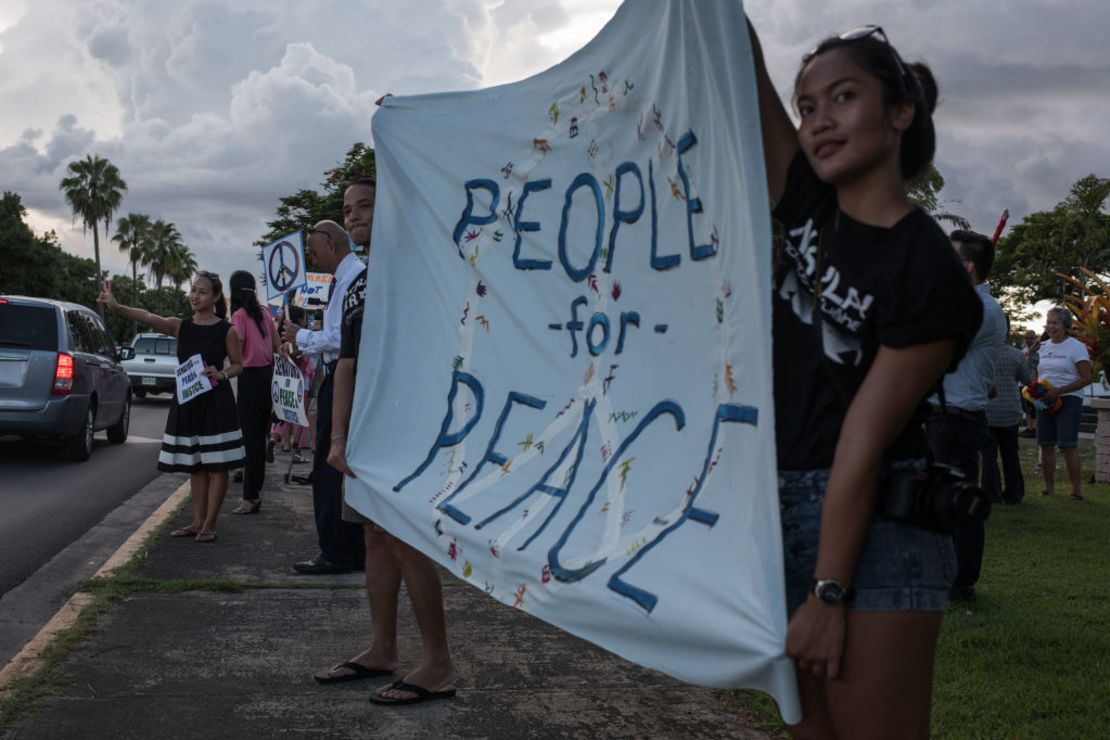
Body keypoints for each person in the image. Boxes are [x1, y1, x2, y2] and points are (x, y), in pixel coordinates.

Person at [750, 19, 982, 738]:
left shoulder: (930, 269)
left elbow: (862, 437)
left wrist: (829, 591)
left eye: (844, 97)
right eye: (808, 105)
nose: (819, 120)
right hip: (780, 507)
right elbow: (739, 63)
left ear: (900, 113)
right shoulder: (809, 206)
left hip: (874, 529)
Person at [314, 177, 456, 706]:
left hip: (409, 423)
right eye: (348, 209)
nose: (353, 216)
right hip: (368, 427)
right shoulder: (360, 283)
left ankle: (438, 663)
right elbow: (347, 363)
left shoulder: (416, 270)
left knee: (404, 535)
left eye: (365, 205)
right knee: (375, 534)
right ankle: (383, 649)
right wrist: (339, 435)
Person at [98, 272, 245, 542]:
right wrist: (116, 306)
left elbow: (237, 364)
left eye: (202, 292)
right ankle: (197, 521)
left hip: (216, 402)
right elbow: (147, 316)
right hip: (189, 400)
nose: (195, 296)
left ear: (214, 297)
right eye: (193, 290)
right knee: (196, 466)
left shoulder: (228, 330)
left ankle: (210, 524)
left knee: (217, 465)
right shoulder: (182, 326)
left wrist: (222, 374)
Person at [923, 229, 1006, 604]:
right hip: (947, 415)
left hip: (956, 419)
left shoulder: (981, 311)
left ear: (967, 267)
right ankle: (947, 576)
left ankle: (958, 582)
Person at [282, 220, 365, 573]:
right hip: (339, 372)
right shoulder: (347, 277)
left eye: (314, 252)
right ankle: (346, 546)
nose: (313, 261)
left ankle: (337, 550)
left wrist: (301, 336)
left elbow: (338, 340)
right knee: (337, 466)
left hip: (346, 377)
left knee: (330, 465)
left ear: (331, 243)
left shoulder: (354, 278)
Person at [228, 270, 280, 514]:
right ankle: (254, 494)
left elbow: (236, 354)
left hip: (249, 379)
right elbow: (277, 346)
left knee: (249, 441)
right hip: (268, 377)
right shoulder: (266, 314)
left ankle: (249, 498)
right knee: (258, 440)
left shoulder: (238, 317)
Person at [1035, 307, 1092, 500]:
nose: (1051, 326)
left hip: (1069, 400)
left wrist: (1058, 391)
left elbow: (1087, 378)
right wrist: (1036, 391)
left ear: (1066, 326)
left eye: (1055, 323)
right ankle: (1048, 488)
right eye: (1049, 322)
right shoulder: (1043, 346)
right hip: (1045, 400)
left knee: (1068, 445)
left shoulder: (1076, 347)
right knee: (1046, 444)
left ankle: (1076, 491)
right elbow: (1039, 374)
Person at [982, 318, 1035, 505]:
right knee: (1010, 455)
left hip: (986, 411)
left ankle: (992, 495)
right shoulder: (1016, 355)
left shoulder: (981, 355)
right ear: (1007, 332)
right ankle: (1014, 494)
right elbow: (1028, 381)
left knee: (989, 457)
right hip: (1011, 412)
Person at [1019, 330, 1041, 437]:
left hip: (1035, 382)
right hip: (1023, 383)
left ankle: (1035, 428)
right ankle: (1029, 427)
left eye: (1032, 338)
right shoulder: (1023, 351)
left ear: (1035, 337)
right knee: (1026, 407)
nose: (1029, 340)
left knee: (1034, 406)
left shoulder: (1040, 352)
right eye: (1027, 338)